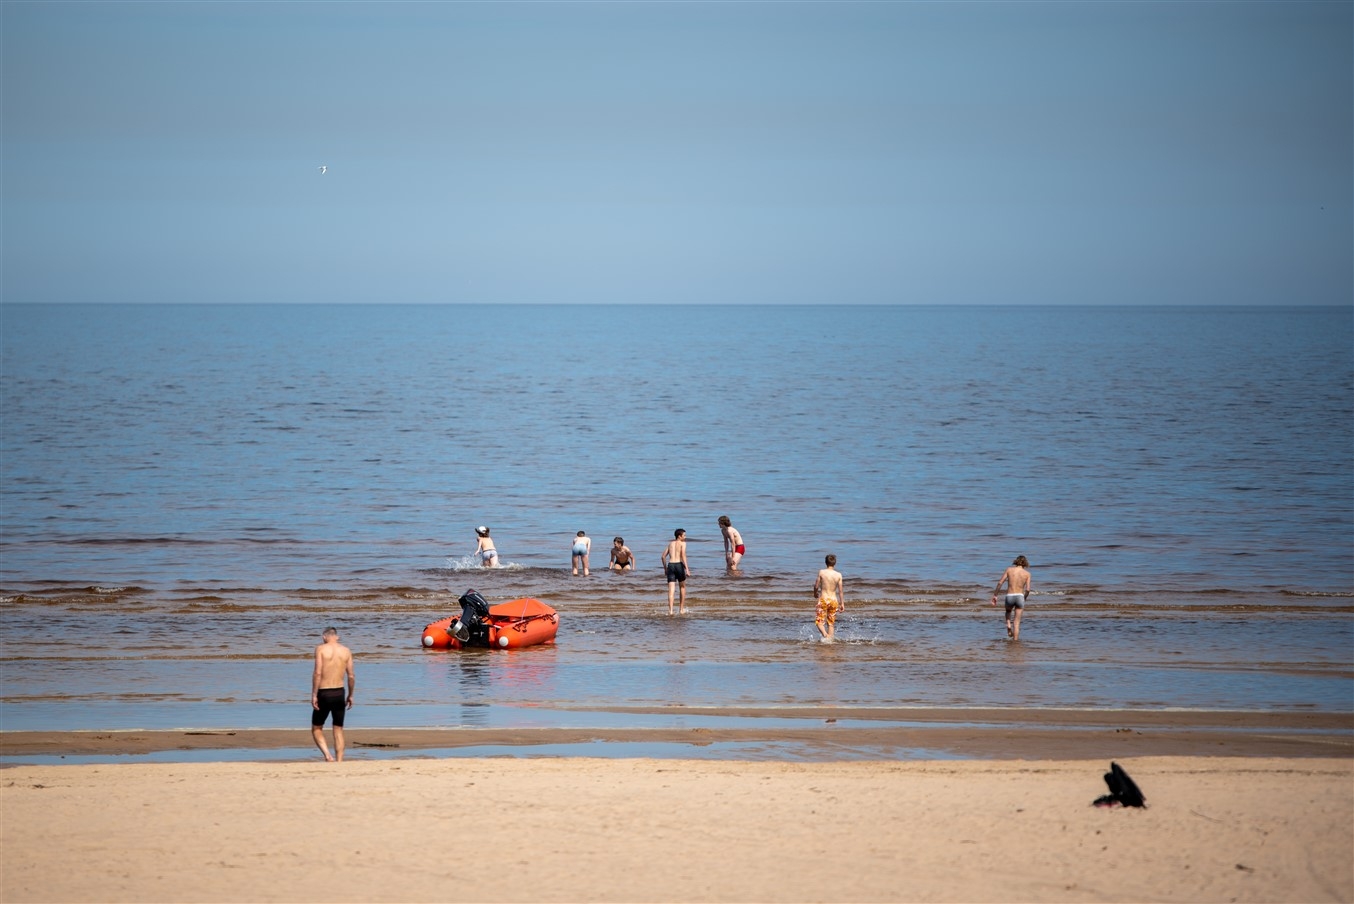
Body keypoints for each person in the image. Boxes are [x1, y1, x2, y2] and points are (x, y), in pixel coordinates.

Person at [310, 626, 355, 762]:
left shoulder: (320, 649)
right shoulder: (346, 651)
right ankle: (339, 761)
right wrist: (350, 695)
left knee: (317, 728)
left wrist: (314, 694)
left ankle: (328, 756)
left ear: (324, 637)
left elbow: (317, 672)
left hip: (324, 692)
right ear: (337, 637)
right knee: (338, 729)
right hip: (339, 692)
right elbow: (351, 676)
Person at [991, 555, 1032, 640]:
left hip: (1010, 596)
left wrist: (995, 595)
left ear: (1016, 561)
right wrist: (1023, 599)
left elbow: (1000, 583)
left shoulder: (1009, 570)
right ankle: (1015, 642)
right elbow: (1028, 590)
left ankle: (1008, 626)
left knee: (1008, 611)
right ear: (1025, 563)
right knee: (1017, 623)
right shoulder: (1027, 574)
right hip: (1020, 596)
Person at [813, 554, 845, 642]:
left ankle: (825, 635)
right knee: (831, 624)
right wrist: (842, 603)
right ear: (835, 563)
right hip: (834, 600)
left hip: (824, 599)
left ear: (825, 562)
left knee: (819, 622)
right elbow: (841, 591)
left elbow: (816, 586)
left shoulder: (822, 572)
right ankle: (830, 641)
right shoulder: (838, 575)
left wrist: (815, 593)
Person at [661, 529, 690, 616]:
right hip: (678, 565)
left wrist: (665, 568)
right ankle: (681, 609)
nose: (685, 537)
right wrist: (687, 569)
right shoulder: (683, 544)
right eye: (684, 535)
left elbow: (663, 556)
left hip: (670, 565)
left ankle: (670, 611)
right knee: (682, 587)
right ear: (679, 536)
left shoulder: (670, 544)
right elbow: (683, 556)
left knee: (671, 590)